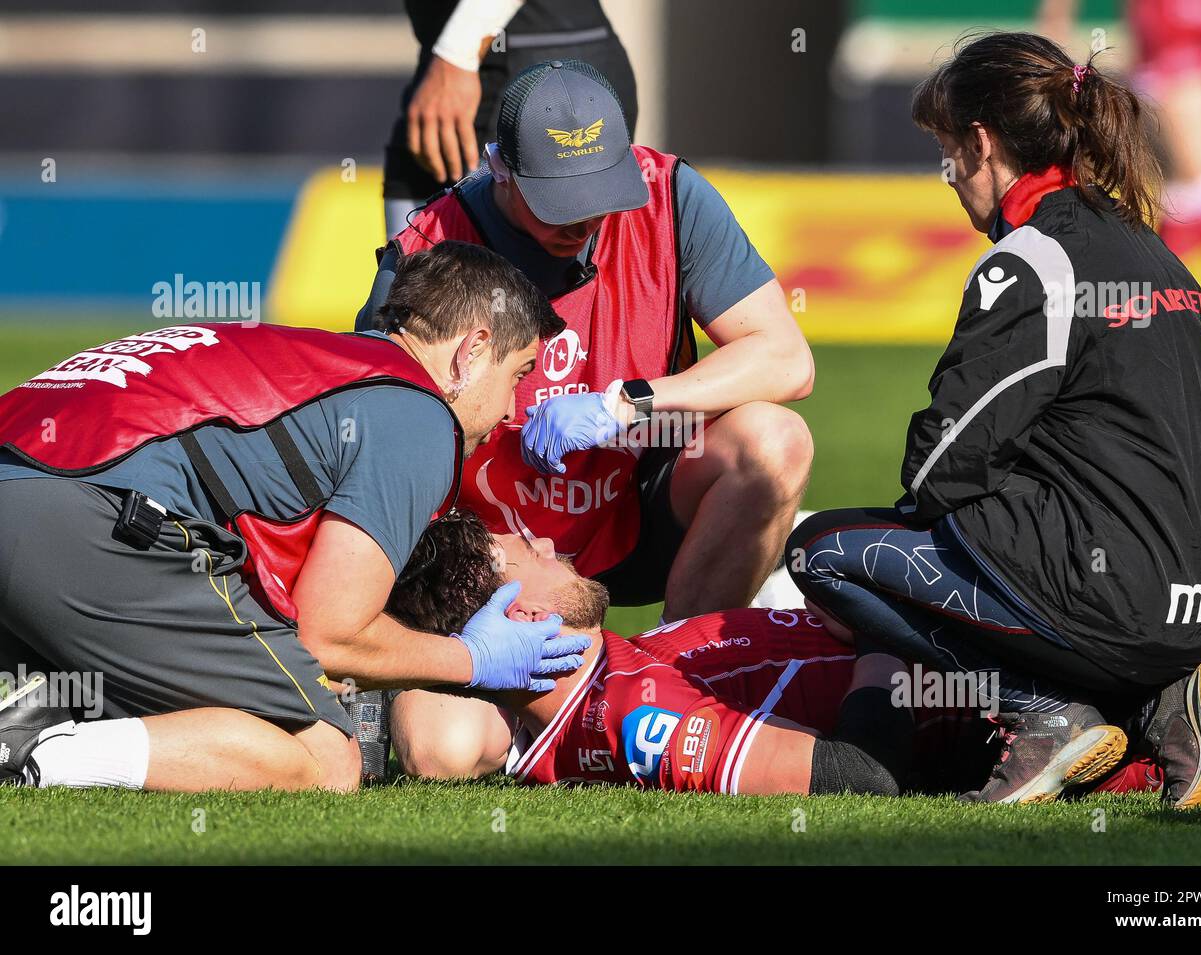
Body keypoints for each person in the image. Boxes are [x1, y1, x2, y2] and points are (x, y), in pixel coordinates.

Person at [786, 32, 1201, 807]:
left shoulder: (1031, 260)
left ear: (983, 142)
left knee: (822, 551)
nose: (948, 177)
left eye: (945, 153)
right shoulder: (1154, 248)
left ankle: (1047, 715)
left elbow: (940, 467)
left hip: (1121, 602)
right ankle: (1168, 705)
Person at [0, 242, 589, 793]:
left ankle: (43, 704)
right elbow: (329, 634)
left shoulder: (314, 358)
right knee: (325, 757)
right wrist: (472, 661)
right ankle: (34, 753)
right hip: (86, 521)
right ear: (473, 350)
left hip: (41, 500)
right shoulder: (419, 415)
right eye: (517, 373)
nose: (513, 407)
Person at [359, 59, 815, 623]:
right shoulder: (430, 247)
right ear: (499, 169)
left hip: (637, 507)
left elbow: (786, 360)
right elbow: (375, 430)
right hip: (495, 542)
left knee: (776, 441)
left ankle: (688, 667)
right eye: (558, 201)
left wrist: (624, 402)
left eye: (599, 194)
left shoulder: (671, 198)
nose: (582, 221)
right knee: (496, 707)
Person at [378, 511, 1164, 800]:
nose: (547, 539)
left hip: (1023, 661)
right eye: (525, 547)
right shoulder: (633, 717)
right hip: (1076, 717)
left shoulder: (622, 661)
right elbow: (863, 779)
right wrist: (884, 626)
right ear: (522, 612)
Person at [1038, 0, 1201, 359]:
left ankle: (1144, 297)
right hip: (1177, 48)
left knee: (1199, 189)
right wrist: (1057, 20)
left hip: (1198, 46)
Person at [384, 0, 638, 239]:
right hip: (442, 71)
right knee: (412, 269)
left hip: (536, 65)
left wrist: (457, 54)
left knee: (541, 272)